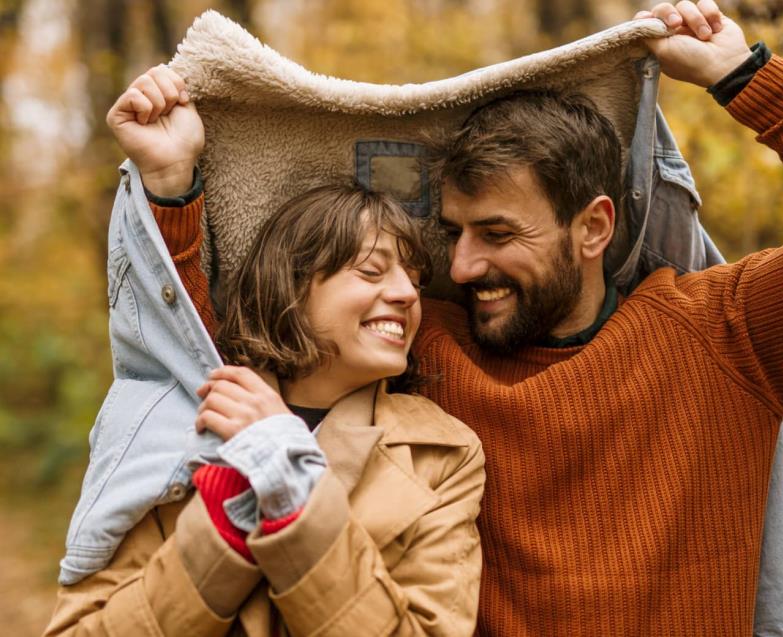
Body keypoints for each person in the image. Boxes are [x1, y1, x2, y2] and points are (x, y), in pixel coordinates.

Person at [87, 0, 783, 634]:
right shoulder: (434, 349)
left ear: (594, 227)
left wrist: (742, 73)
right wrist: (174, 187)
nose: (461, 268)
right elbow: (245, 343)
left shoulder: (725, 333)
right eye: (454, 234)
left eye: (497, 234)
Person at [44, 79, 485, 634]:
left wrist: (295, 492)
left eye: (415, 279)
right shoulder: (174, 422)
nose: (405, 293)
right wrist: (222, 531)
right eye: (371, 271)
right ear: (291, 289)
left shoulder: (444, 454)